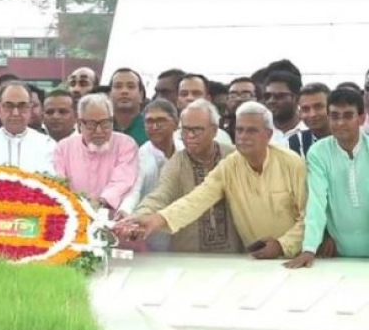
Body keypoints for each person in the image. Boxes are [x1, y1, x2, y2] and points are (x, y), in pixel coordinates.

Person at [121, 101, 306, 260]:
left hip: (288, 257)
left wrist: (283, 245)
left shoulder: (290, 163)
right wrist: (152, 219)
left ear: (268, 134)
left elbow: (311, 215)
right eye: (240, 130)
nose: (243, 137)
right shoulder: (228, 165)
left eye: (251, 131)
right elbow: (194, 200)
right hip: (241, 261)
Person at [128, 99, 242, 254]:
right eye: (185, 130)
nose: (189, 136)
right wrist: (141, 215)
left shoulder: (234, 157)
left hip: (234, 257)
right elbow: (160, 195)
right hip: (187, 258)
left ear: (215, 130)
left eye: (197, 130)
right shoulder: (177, 162)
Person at [285, 89, 369, 268]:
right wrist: (309, 248)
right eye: (335, 116)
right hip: (338, 254)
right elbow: (316, 200)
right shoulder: (319, 152)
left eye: (348, 116)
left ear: (361, 118)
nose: (340, 123)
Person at [54, 93, 138, 211]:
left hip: (113, 217)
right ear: (79, 124)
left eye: (105, 124)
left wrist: (102, 201)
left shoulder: (125, 144)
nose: (99, 131)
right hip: (74, 214)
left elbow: (123, 180)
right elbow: (59, 182)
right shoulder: (63, 148)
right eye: (91, 125)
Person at [0, 81, 56, 174]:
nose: (15, 113)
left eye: (22, 106)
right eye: (9, 106)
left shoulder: (47, 145)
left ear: (30, 109)